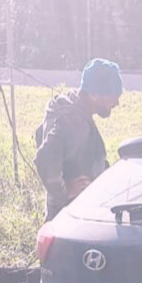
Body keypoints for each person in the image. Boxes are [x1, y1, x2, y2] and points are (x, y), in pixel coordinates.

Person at [35, 58, 123, 220]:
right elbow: (45, 157)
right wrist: (64, 191)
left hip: (70, 214)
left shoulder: (71, 111)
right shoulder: (71, 120)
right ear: (95, 94)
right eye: (114, 95)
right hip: (69, 216)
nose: (117, 103)